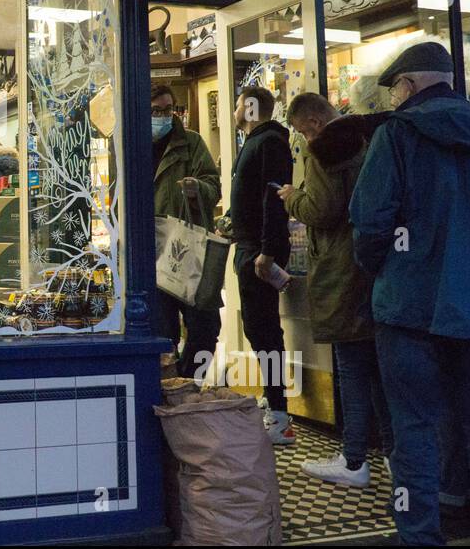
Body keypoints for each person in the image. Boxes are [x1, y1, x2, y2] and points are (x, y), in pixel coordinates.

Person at [350, 41, 470, 546]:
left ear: (409, 85)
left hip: (410, 311)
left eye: (396, 88)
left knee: (414, 432)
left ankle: (419, 536)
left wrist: (383, 268)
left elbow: (370, 222)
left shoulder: (397, 135)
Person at [279, 92, 393, 486]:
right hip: (373, 267)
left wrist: (293, 199)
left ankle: (353, 459)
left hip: (341, 269)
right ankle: (394, 455)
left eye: (299, 131)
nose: (302, 139)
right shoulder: (371, 137)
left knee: (352, 369)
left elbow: (322, 211)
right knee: (376, 369)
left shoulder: (324, 151)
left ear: (311, 123)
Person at [228, 85, 295, 445]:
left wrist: (267, 251)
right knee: (258, 329)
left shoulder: (268, 142)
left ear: (251, 107)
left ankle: (280, 414)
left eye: (239, 104)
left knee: (265, 330)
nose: (235, 109)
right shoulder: (254, 144)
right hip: (251, 246)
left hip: (259, 251)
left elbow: (273, 199)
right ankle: (275, 404)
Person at [150, 83, 222, 379]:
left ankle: (191, 380)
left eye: (168, 109)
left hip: (188, 247)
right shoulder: (128, 144)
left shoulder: (190, 142)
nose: (164, 116)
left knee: (205, 325)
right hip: (150, 249)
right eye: (156, 110)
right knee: (162, 329)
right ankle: (169, 388)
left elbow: (213, 185)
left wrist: (197, 189)